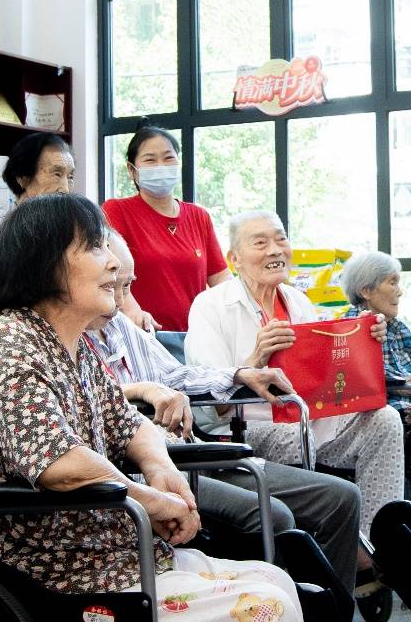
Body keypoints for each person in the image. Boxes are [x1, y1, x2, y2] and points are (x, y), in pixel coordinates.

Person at [0, 193, 302, 619]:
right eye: (96, 248)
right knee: (267, 605)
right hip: (47, 570)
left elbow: (129, 423)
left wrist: (161, 470)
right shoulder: (10, 341)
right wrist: (156, 502)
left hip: (108, 553)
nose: (113, 263)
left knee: (275, 579)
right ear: (45, 263)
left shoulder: (71, 345)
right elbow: (61, 465)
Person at [86, 231, 364, 594]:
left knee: (340, 498)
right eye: (113, 286)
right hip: (147, 470)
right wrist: (140, 389)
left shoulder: (121, 325)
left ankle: (329, 610)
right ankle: (277, 605)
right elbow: (79, 401)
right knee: (274, 514)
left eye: (127, 287)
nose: (123, 301)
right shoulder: (58, 335)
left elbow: (176, 374)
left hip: (194, 452)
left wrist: (239, 373)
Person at [185, 211, 405, 572]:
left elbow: (325, 376)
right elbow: (211, 406)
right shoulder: (210, 306)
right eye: (260, 242)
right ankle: (319, 542)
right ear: (234, 258)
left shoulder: (299, 302)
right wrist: (255, 359)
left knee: (385, 420)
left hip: (303, 414)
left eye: (281, 239)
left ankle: (369, 543)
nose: (275, 250)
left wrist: (365, 337)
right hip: (243, 427)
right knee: (292, 434)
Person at [0, 131, 153, 333]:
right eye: (56, 174)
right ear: (23, 178)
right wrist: (43, 326)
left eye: (70, 177)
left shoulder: (73, 237)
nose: (65, 188)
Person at [102, 126, 231, 331]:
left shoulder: (199, 216)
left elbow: (220, 278)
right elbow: (110, 272)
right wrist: (134, 313)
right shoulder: (117, 210)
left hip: (196, 335)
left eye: (168, 158)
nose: (161, 166)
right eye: (150, 160)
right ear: (131, 170)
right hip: (142, 334)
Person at [342, 250, 411, 422]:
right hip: (384, 417)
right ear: (366, 291)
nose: (400, 291)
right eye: (392, 283)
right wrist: (407, 383)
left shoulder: (394, 325)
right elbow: (365, 376)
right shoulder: (348, 329)